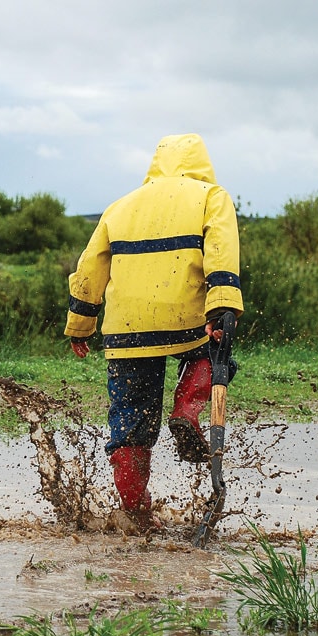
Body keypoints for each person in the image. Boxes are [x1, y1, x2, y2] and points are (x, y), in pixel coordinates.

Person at [64, 133, 243, 531]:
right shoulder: (211, 196)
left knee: (130, 422)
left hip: (126, 328)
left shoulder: (120, 205)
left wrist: (81, 324)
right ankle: (188, 411)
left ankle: (136, 515)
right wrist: (223, 306)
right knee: (212, 355)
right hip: (186, 318)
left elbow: (90, 267)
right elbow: (221, 251)